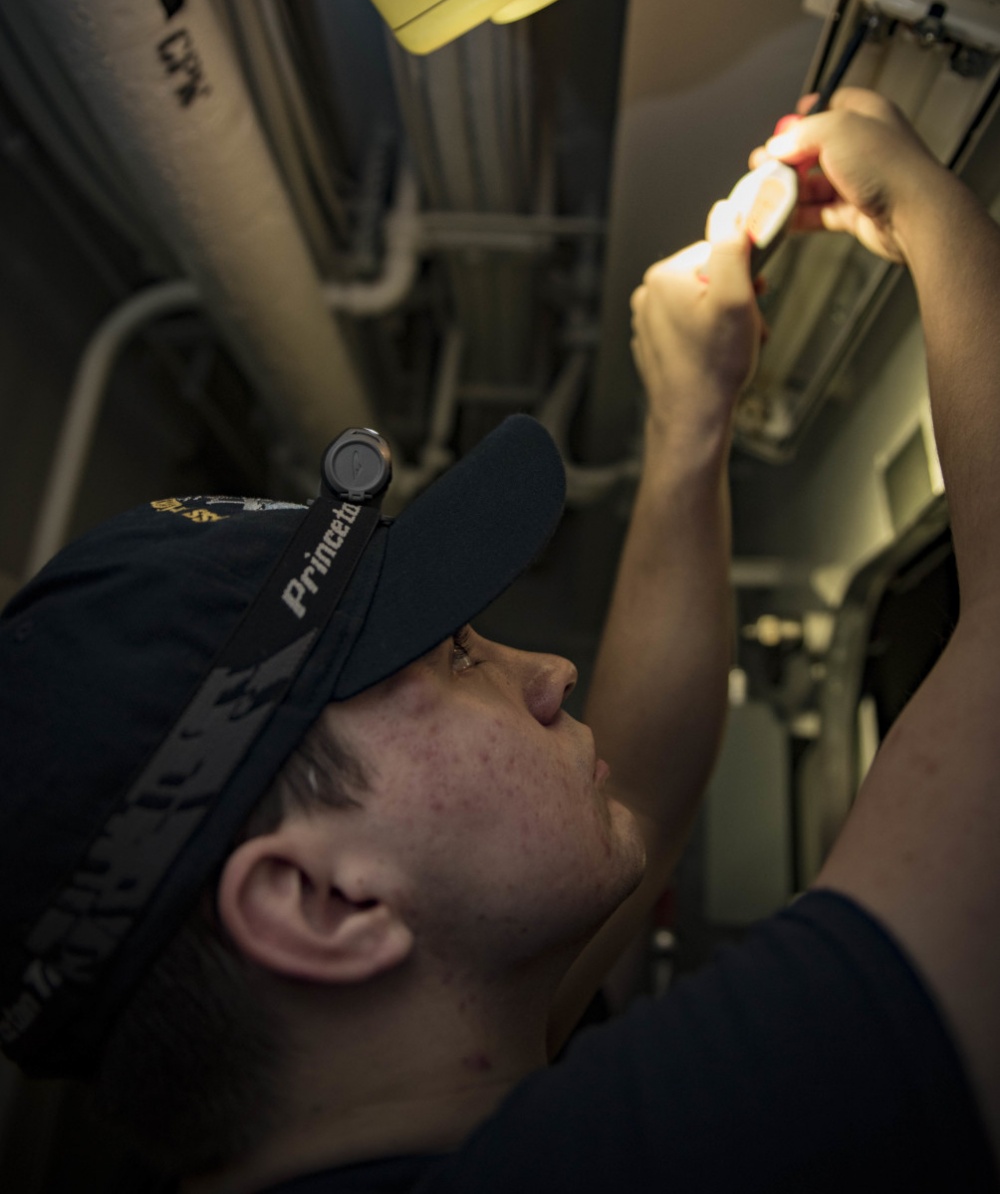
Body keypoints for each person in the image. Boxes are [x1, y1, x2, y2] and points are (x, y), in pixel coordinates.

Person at [0, 89, 997, 1194]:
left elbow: (645, 799)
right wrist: (919, 202)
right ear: (322, 904)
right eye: (458, 660)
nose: (552, 672)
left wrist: (690, 416)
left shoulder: (400, 1113)